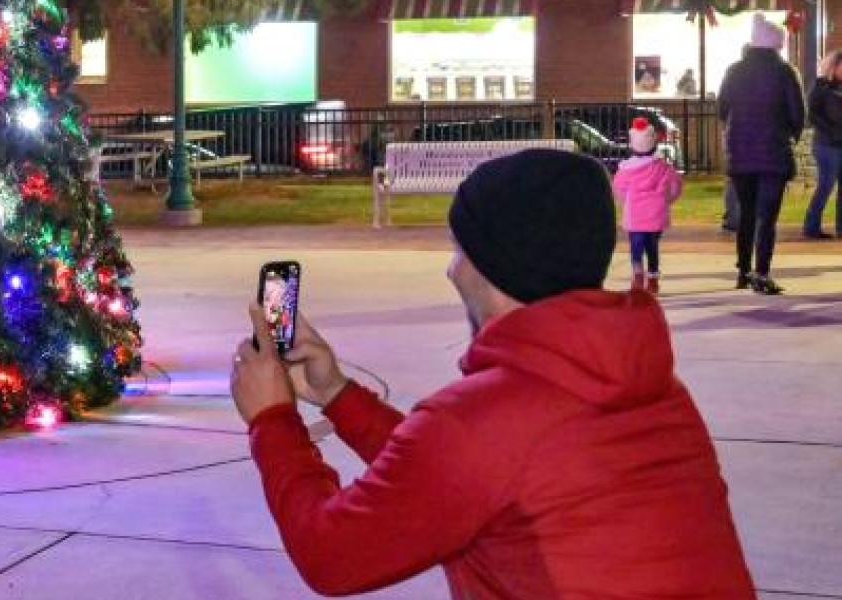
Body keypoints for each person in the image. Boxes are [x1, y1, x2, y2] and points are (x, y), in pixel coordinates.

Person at [229, 149, 755, 598]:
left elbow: (332, 555)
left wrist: (273, 421)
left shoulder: (483, 420)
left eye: (460, 249)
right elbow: (469, 478)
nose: (451, 268)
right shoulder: (649, 387)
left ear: (491, 263)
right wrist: (338, 395)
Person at [719, 14, 803, 295]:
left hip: (741, 153)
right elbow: (796, 113)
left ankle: (743, 270)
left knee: (746, 214)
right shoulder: (784, 72)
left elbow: (722, 109)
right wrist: (790, 134)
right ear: (775, 45)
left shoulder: (734, 71)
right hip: (773, 154)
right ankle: (762, 273)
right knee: (767, 218)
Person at [614, 117, 684, 293]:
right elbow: (675, 187)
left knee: (636, 246)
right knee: (652, 247)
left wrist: (628, 202)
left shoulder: (626, 170)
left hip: (635, 217)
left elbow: (619, 189)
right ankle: (653, 278)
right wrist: (666, 201)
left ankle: (638, 274)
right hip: (656, 215)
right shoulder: (663, 168)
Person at [805, 50, 842, 239]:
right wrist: (830, 130)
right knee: (826, 185)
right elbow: (812, 115)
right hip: (826, 145)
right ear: (833, 66)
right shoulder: (821, 88)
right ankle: (811, 227)